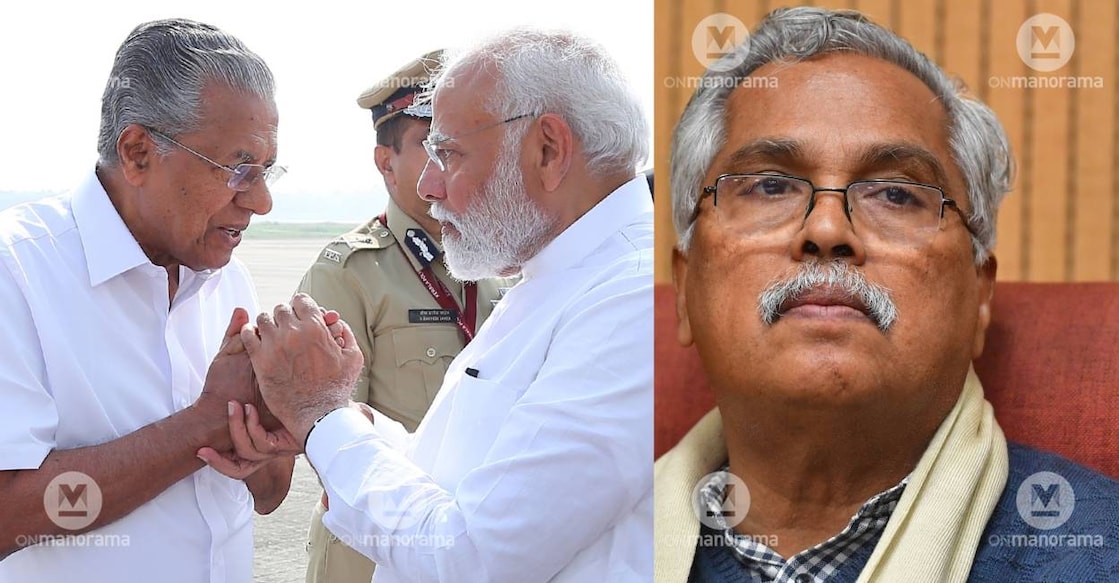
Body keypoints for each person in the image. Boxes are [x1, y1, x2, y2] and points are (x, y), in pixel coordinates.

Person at [657, 7, 1119, 582]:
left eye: (897, 194)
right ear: (684, 288)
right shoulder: (575, 541)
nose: (826, 229)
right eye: (771, 185)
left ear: (979, 295)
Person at [211, 28, 654, 582]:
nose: (429, 185)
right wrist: (337, 423)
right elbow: (461, 469)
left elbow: (473, 558)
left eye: (448, 153)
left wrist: (322, 420)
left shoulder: (635, 300)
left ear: (548, 149)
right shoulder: (563, 277)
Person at [0, 18, 306, 582]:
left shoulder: (225, 277)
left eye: (267, 172)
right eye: (238, 170)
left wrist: (276, 429)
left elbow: (267, 496)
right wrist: (204, 426)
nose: (261, 202)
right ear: (138, 152)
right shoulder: (16, 272)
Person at [299, 51, 510, 583]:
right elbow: (331, 430)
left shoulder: (498, 270)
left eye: (453, 143)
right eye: (426, 144)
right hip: (375, 556)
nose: (445, 161)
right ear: (385, 161)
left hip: (479, 544)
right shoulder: (349, 274)